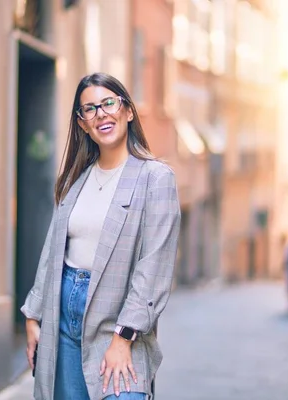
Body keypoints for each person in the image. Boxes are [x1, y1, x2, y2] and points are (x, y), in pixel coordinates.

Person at [21, 72, 181, 400]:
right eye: (89, 109)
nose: (101, 115)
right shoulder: (74, 181)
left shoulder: (155, 179)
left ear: (128, 111)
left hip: (120, 319)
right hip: (62, 319)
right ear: (82, 124)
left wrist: (124, 337)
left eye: (109, 103)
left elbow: (154, 270)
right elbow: (52, 253)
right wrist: (33, 315)